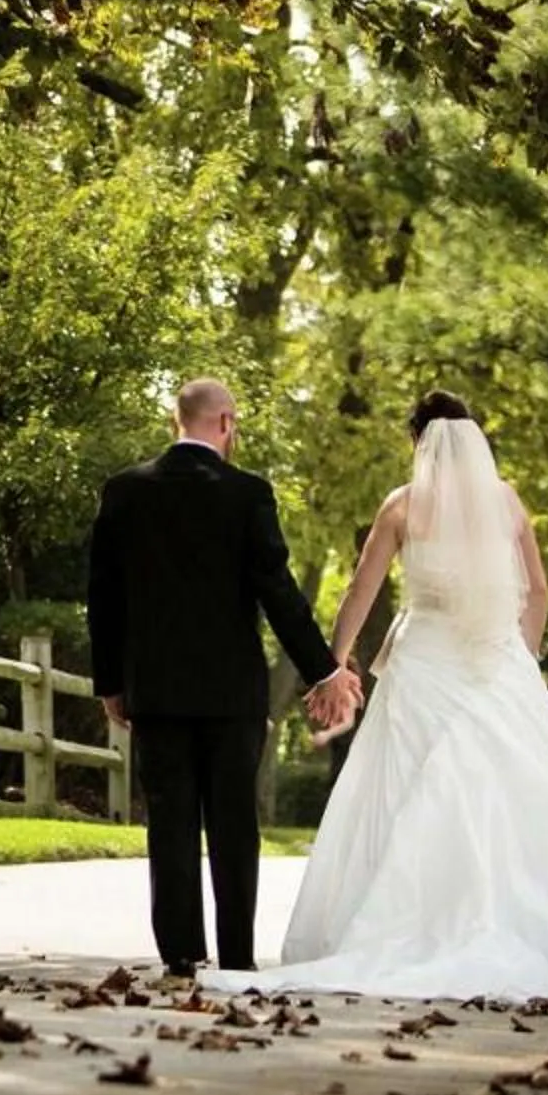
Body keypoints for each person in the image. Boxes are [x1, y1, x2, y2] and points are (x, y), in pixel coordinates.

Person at [204, 392, 548, 1007]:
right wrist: (522, 656)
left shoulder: (403, 506)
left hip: (423, 665)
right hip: (498, 666)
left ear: (418, 440)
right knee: (508, 798)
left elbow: (358, 595)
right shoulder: (507, 502)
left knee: (397, 790)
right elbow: (539, 592)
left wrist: (332, 667)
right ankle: (520, 928)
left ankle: (393, 926)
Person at [86, 378, 362, 977]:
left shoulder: (125, 492)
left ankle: (182, 952)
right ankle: (236, 956)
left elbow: (103, 599)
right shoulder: (248, 495)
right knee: (234, 824)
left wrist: (111, 682)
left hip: (155, 688)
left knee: (171, 820)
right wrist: (326, 670)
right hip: (232, 691)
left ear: (174, 421)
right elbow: (279, 594)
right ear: (227, 423)